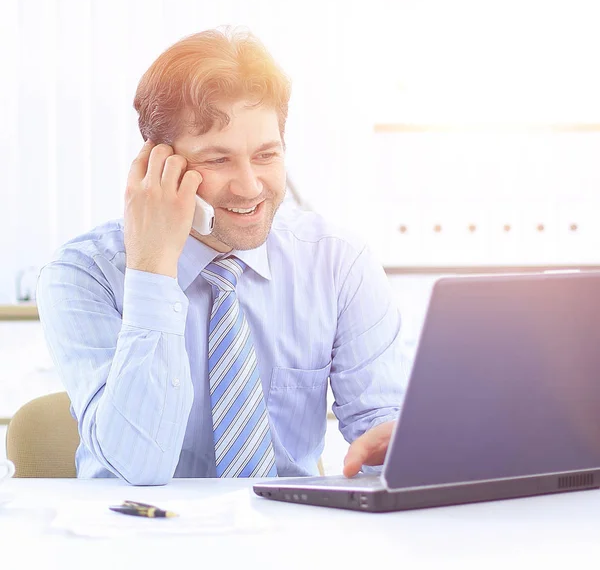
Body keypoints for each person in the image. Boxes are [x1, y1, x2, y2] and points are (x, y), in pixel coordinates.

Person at [36, 27, 404, 485]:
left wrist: (400, 444)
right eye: (217, 161)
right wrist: (153, 269)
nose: (250, 187)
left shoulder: (338, 263)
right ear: (158, 166)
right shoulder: (83, 274)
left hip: (288, 537)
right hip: (136, 541)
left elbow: (384, 429)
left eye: (266, 155)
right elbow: (138, 467)